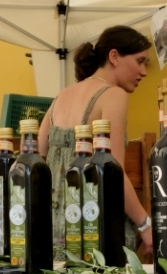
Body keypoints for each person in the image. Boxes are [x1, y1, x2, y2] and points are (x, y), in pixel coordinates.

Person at [39, 25, 154, 256]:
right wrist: (145, 224)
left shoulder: (61, 96)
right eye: (140, 61)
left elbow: (38, 157)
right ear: (114, 56)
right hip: (93, 227)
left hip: (52, 232)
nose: (144, 72)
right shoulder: (113, 95)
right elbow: (114, 174)